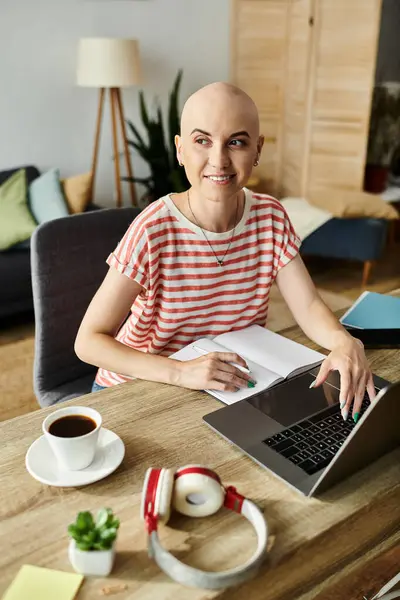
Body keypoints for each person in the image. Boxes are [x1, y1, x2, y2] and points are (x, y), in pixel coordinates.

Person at [75, 82, 375, 423]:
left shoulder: (270, 217)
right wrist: (181, 372)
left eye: (236, 142)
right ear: (180, 149)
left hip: (224, 385)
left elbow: (307, 306)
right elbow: (88, 342)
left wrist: (343, 341)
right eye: (202, 140)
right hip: (141, 386)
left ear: (257, 150)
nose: (219, 160)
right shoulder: (152, 229)